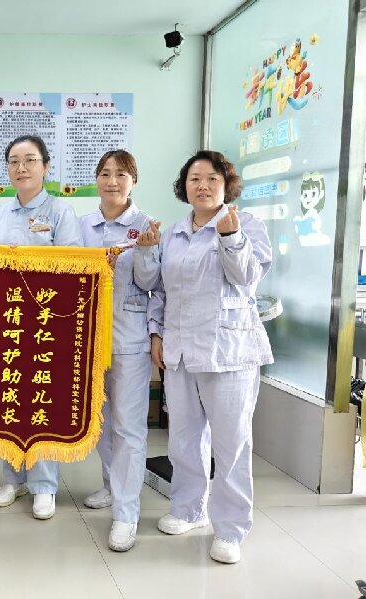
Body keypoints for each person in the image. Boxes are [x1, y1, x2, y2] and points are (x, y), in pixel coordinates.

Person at [149, 150, 273, 564]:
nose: (202, 185)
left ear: (226, 184)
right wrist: (156, 333)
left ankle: (231, 529)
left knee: (231, 444)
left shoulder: (245, 224)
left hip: (228, 351)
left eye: (211, 178)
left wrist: (231, 238)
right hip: (180, 351)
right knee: (184, 440)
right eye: (194, 178)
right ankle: (188, 508)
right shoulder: (172, 233)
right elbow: (161, 290)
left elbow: (248, 278)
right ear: (184, 186)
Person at [0, 134, 82, 520]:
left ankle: (44, 485)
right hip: (7, 322)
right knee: (8, 397)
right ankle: (13, 477)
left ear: (46, 167)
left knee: (41, 400)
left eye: (30, 160)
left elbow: (72, 266)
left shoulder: (61, 212)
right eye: (14, 161)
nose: (21, 168)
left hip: (45, 323)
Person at [79, 150, 160, 551]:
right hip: (86, 340)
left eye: (122, 174)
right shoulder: (82, 226)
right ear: (97, 179)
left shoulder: (146, 226)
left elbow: (151, 283)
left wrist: (144, 251)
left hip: (129, 339)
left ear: (133, 181)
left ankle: (126, 514)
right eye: (106, 173)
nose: (112, 181)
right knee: (101, 422)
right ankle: (112, 485)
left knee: (128, 426)